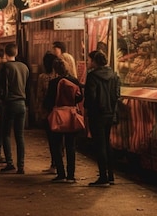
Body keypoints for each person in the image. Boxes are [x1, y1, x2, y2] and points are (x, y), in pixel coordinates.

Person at [84, 50, 120, 187]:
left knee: (100, 145)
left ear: (94, 61)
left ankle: (103, 177)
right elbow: (117, 94)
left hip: (97, 115)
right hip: (110, 114)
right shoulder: (114, 75)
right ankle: (110, 175)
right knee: (107, 142)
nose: (88, 62)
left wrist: (88, 111)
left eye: (89, 60)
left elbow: (90, 98)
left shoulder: (92, 76)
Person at [44, 58, 83, 183]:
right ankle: (71, 175)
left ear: (56, 69)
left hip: (58, 116)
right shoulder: (74, 81)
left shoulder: (54, 82)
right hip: (71, 115)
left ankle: (61, 173)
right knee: (70, 146)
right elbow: (79, 98)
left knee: (56, 145)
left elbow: (48, 100)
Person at [0, 43, 29, 174]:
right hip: (22, 103)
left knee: (6, 134)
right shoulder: (24, 67)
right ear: (16, 52)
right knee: (20, 136)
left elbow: (2, 87)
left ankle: (10, 163)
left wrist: (2, 99)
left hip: (9, 103)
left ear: (5, 53)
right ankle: (21, 165)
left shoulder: (4, 67)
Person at [36, 51, 59, 174]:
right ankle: (59, 163)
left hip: (48, 111)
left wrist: (39, 112)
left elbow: (39, 96)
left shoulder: (42, 77)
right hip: (60, 111)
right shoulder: (59, 77)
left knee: (51, 139)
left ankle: (54, 164)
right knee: (60, 139)